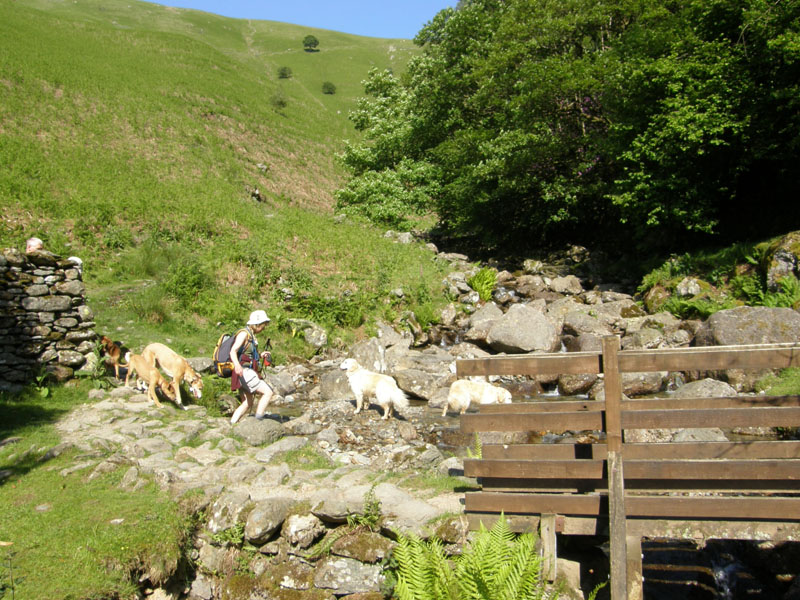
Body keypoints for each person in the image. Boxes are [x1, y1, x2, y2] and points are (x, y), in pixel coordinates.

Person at [229, 310, 275, 424]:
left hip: (245, 371)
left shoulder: (251, 335)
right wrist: (237, 366)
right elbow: (233, 351)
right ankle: (258, 420)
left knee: (248, 403)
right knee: (268, 392)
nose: (264, 328)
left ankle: (232, 424)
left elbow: (248, 354)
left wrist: (260, 355)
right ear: (257, 324)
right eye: (263, 325)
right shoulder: (244, 334)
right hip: (244, 371)